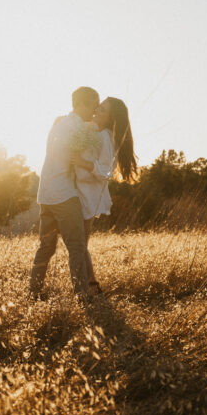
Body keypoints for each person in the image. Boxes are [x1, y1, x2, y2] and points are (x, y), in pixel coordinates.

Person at [29, 86, 100, 299]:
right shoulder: (79, 129)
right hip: (64, 195)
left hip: (45, 194)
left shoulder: (59, 124)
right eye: (94, 106)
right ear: (82, 104)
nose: (95, 112)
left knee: (46, 247)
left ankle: (33, 293)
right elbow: (83, 160)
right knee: (77, 246)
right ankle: (82, 295)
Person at [72, 96, 137, 295]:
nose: (96, 111)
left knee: (79, 243)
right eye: (97, 107)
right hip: (82, 192)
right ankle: (90, 284)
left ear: (111, 119)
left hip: (88, 195)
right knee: (80, 242)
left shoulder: (105, 137)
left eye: (102, 110)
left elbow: (106, 170)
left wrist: (80, 162)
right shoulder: (96, 132)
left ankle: (91, 286)